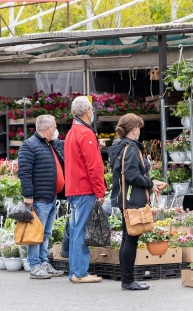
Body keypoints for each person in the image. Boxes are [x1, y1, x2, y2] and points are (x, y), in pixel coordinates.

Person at [108, 113, 161, 291]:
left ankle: (127, 279)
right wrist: (150, 184)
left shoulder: (118, 145)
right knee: (131, 239)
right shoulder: (130, 148)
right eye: (139, 127)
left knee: (127, 238)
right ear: (134, 129)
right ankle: (128, 281)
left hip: (124, 197)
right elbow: (131, 174)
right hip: (132, 198)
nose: (140, 131)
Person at [18, 114, 65, 280]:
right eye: (54, 126)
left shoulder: (50, 144)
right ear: (47, 129)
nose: (56, 129)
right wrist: (28, 197)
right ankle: (34, 265)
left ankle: (44, 262)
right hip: (39, 199)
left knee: (45, 233)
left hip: (50, 197)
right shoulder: (29, 145)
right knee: (36, 233)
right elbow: (24, 173)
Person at [65, 96, 106, 284]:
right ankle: (80, 273)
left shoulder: (72, 131)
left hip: (74, 188)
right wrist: (100, 191)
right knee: (82, 231)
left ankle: (75, 271)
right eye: (91, 109)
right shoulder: (86, 133)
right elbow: (94, 166)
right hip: (84, 188)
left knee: (76, 230)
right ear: (87, 111)